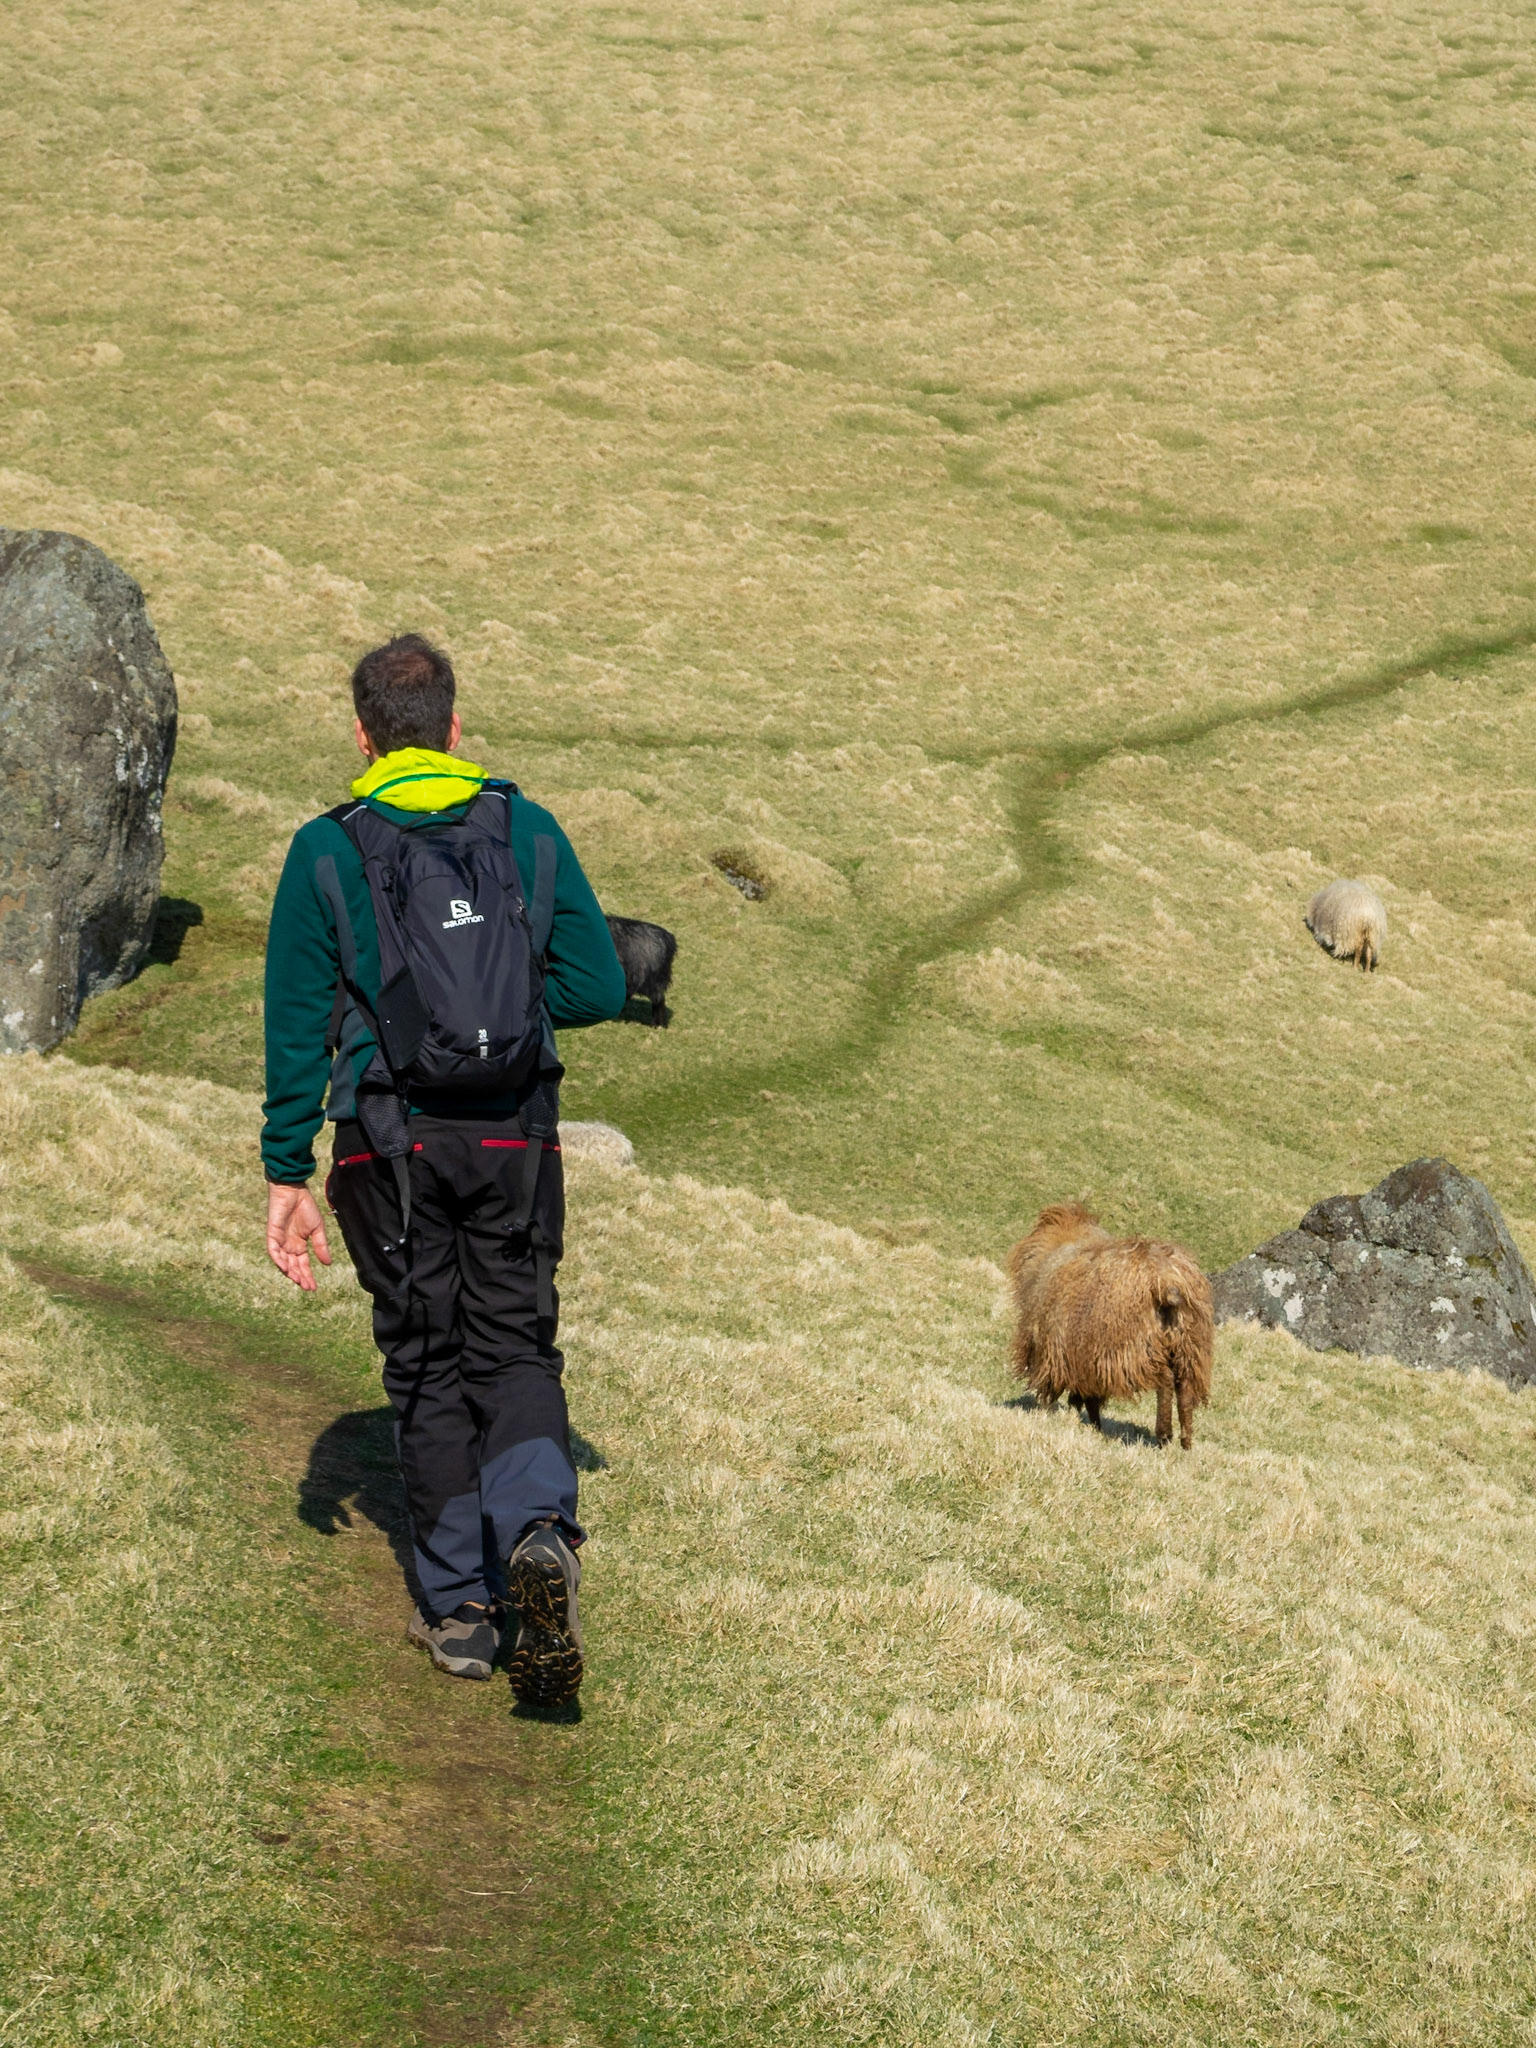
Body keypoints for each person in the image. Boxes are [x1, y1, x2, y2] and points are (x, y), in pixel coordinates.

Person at [261, 634, 626, 1704]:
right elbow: (598, 983)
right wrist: (504, 1006)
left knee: (424, 1358)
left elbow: (294, 1027)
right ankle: (539, 1534)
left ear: (363, 734)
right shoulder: (528, 827)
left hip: (387, 1146)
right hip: (516, 1131)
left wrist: (288, 1169)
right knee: (514, 1341)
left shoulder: (325, 850)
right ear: (457, 727)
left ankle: (462, 1610)